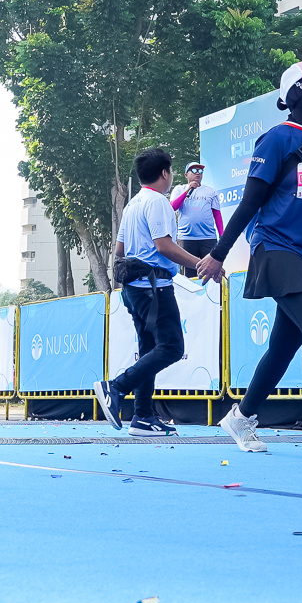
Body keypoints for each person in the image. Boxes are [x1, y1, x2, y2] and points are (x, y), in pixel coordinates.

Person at [200, 60, 302, 463]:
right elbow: (249, 204)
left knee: (283, 346)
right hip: (276, 247)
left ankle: (241, 417)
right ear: (296, 92)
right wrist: (218, 255)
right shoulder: (276, 139)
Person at [95, 147, 203, 437]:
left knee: (148, 349)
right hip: (154, 289)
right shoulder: (158, 202)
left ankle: (142, 416)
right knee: (172, 347)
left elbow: (119, 250)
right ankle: (115, 387)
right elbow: (164, 246)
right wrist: (200, 263)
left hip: (133, 288)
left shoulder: (133, 205)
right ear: (165, 173)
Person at [170, 162, 225, 262]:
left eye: (200, 171)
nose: (198, 173)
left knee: (211, 268)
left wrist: (222, 234)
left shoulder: (211, 191)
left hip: (208, 237)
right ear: (186, 175)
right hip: (186, 238)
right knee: (189, 270)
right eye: (194, 170)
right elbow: (173, 207)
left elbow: (217, 214)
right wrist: (188, 190)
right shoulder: (179, 189)